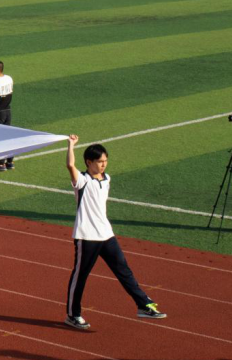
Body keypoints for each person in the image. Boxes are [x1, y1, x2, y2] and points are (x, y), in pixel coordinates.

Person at [63, 136, 167, 330]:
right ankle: (73, 314)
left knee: (123, 270)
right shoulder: (82, 181)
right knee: (80, 276)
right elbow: (70, 165)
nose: (104, 165)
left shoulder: (107, 178)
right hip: (87, 237)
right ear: (89, 162)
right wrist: (71, 145)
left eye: (105, 161)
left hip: (106, 235)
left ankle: (143, 305)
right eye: (100, 161)